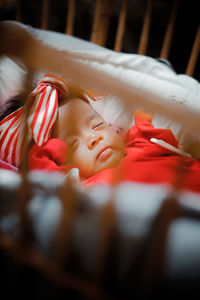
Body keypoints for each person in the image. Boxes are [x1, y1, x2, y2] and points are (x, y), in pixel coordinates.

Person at [1, 73, 200, 194]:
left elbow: (165, 140)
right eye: (71, 144)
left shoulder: (140, 143)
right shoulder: (79, 191)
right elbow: (43, 179)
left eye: (96, 125)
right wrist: (41, 153)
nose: (94, 138)